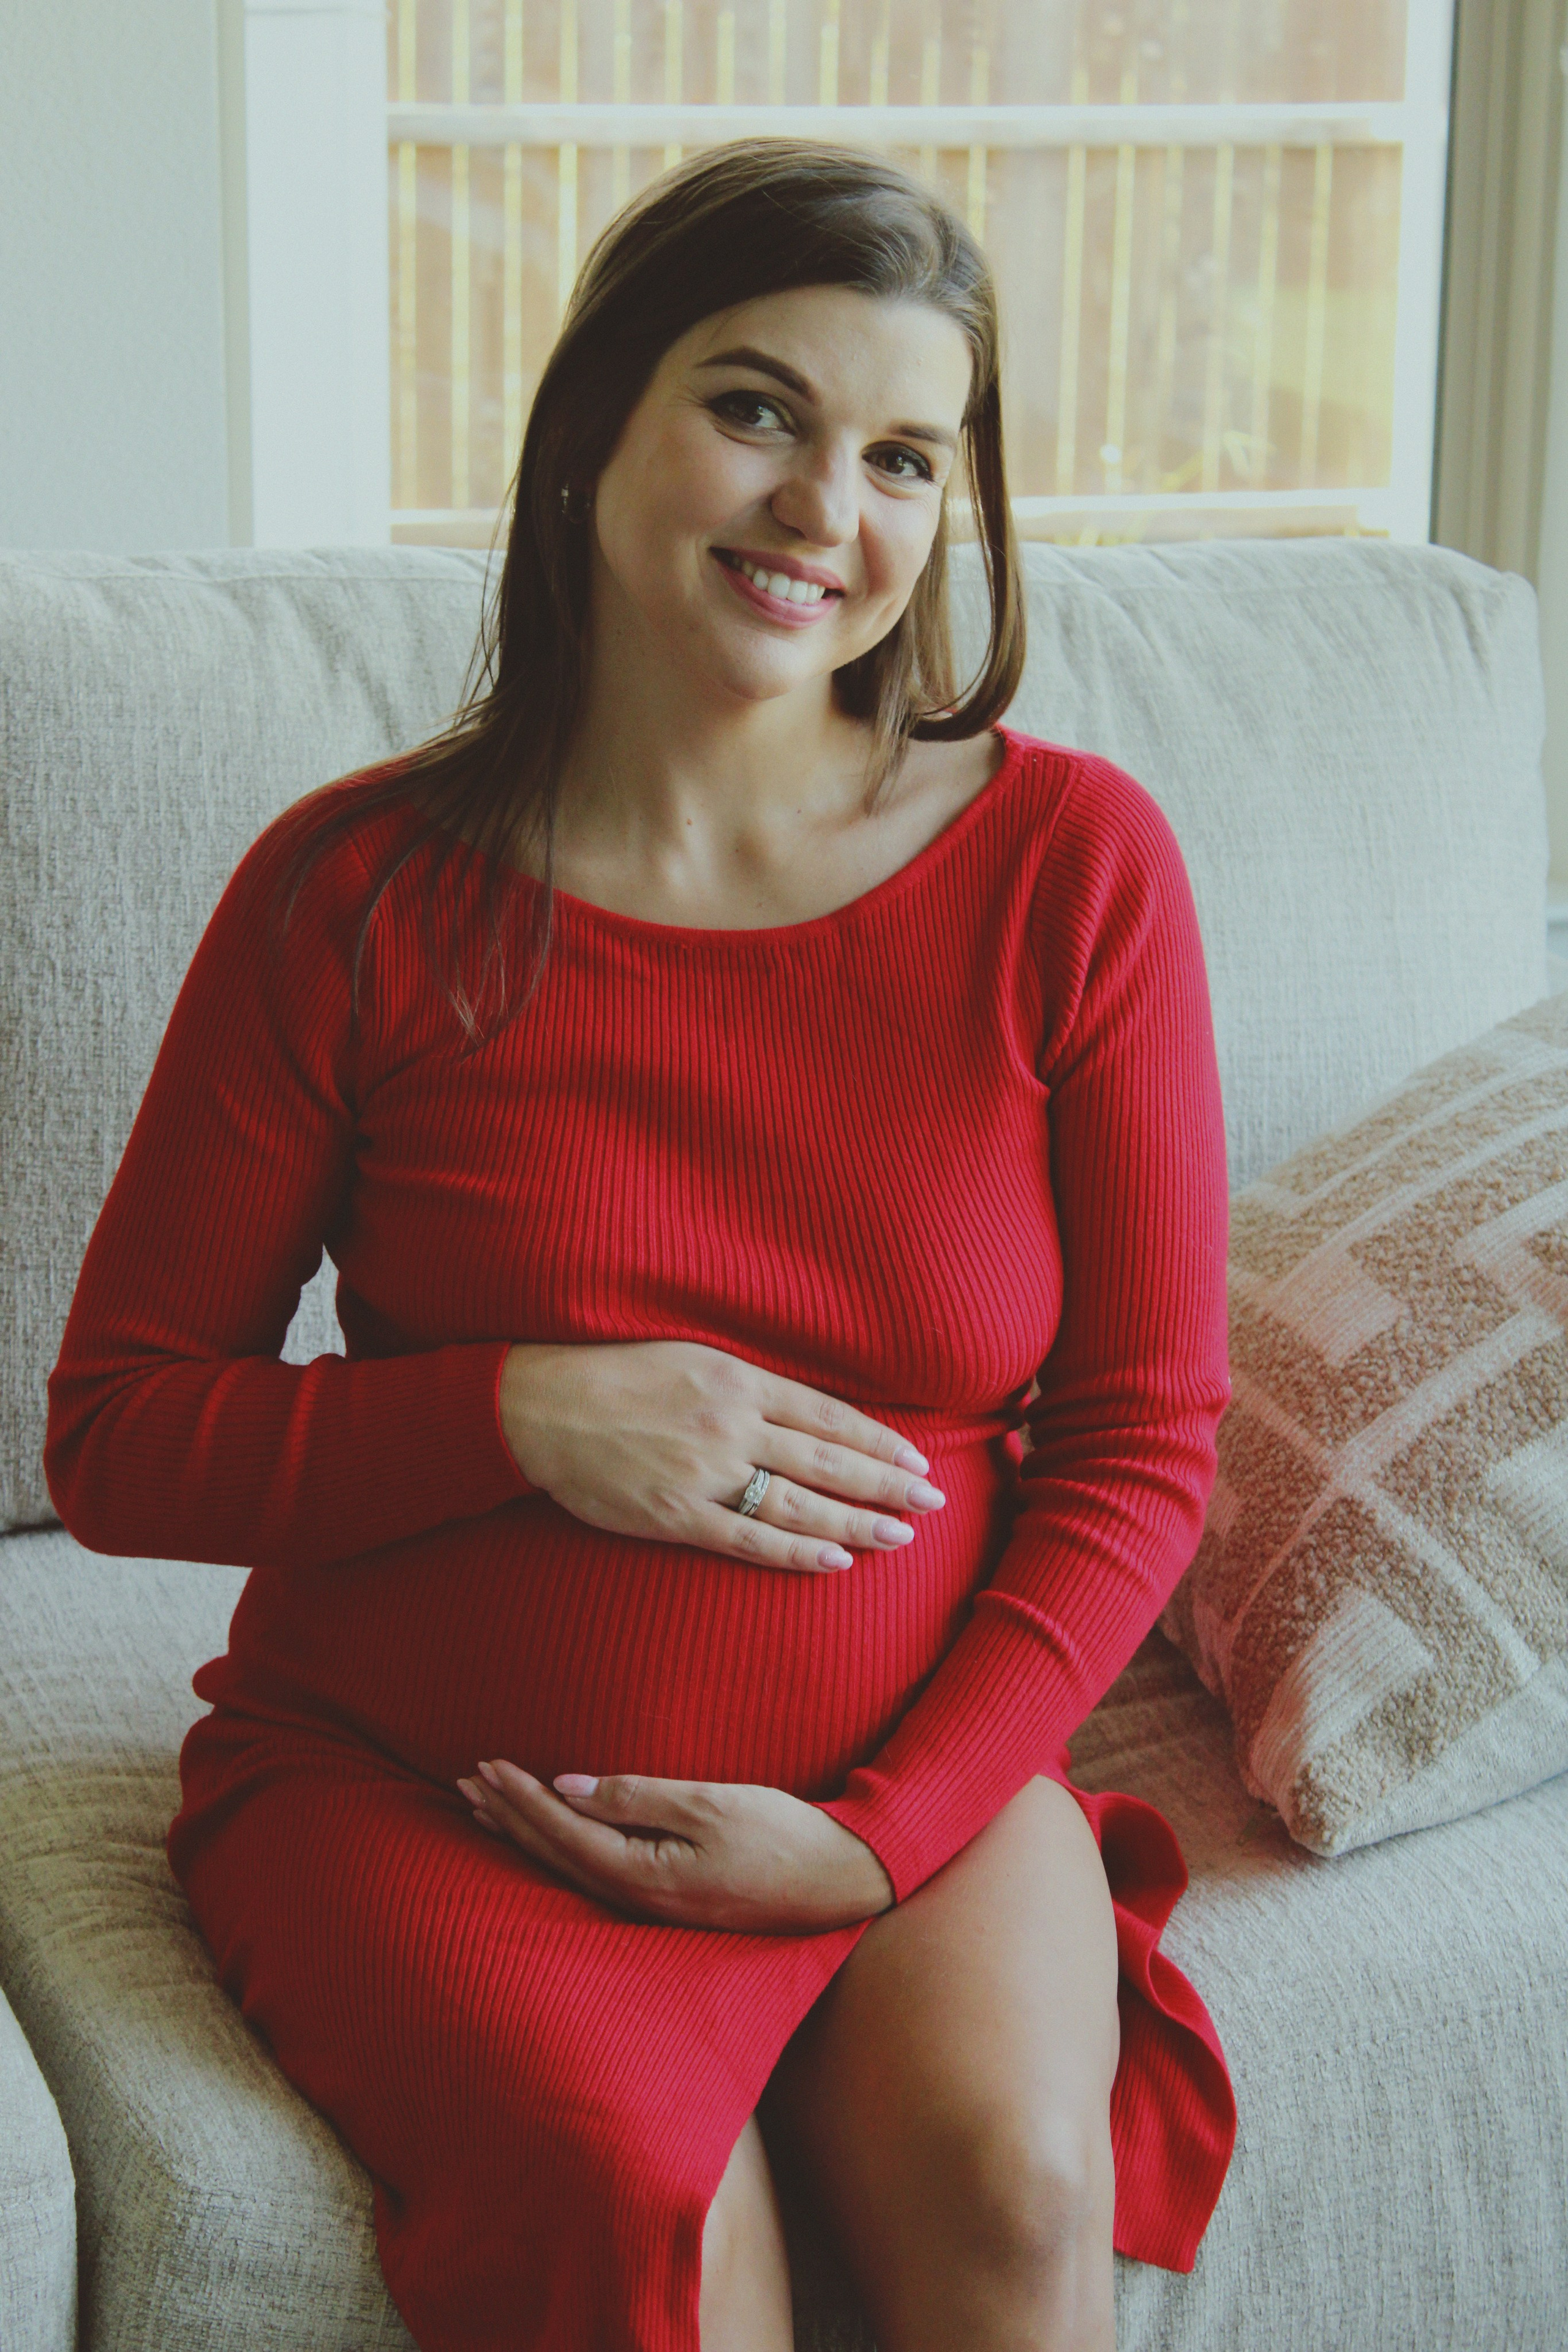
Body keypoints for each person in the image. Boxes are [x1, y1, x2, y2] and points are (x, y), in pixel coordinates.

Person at [45, 140, 1235, 2352]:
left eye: (903, 454)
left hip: (921, 1783)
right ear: (593, 423)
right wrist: (521, 1411)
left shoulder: (1078, 867)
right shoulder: (358, 896)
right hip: (434, 1788)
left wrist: (879, 1836)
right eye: (758, 409)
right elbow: (118, 1440)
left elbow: (1150, 1436)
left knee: (1015, 2180)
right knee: (631, 2212)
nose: (825, 510)